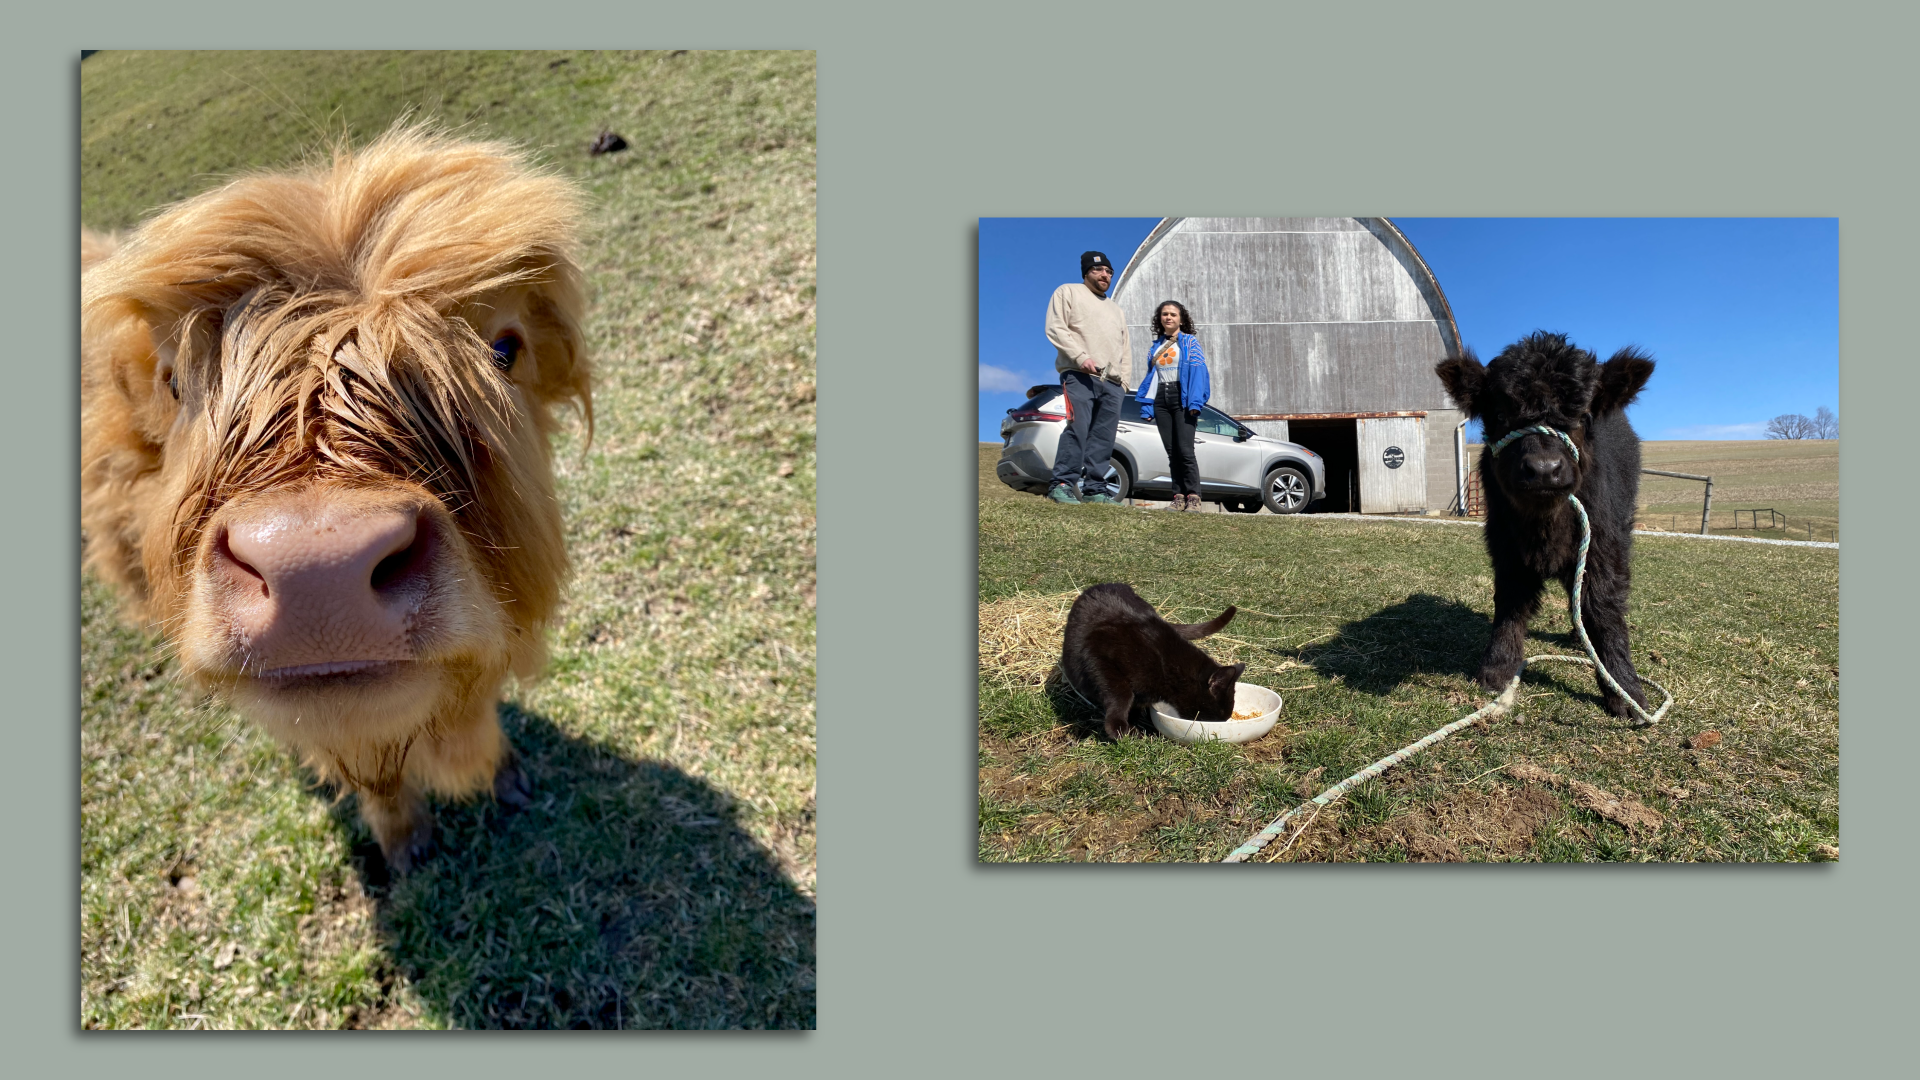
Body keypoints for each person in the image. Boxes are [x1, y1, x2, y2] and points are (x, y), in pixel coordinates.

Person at [1044, 251, 1132, 504]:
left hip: (1112, 384)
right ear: (1086, 273)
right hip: (1080, 375)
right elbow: (1056, 328)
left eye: (1109, 271)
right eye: (1098, 270)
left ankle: (1096, 490)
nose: (1105, 275)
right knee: (1077, 430)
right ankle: (1062, 484)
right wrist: (1081, 357)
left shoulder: (1116, 309)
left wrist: (1124, 381)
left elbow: (1125, 346)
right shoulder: (1068, 292)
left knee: (1104, 438)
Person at [1135, 300, 1210, 510]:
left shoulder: (1189, 343)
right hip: (1161, 398)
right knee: (1171, 452)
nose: (1168, 317)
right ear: (1160, 319)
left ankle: (1193, 497)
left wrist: (1195, 401)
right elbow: (1151, 378)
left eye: (1173, 315)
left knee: (1185, 450)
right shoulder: (1155, 347)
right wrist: (1147, 406)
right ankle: (1178, 497)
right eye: (1165, 314)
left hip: (1182, 397)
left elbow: (1198, 373)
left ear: (1181, 319)